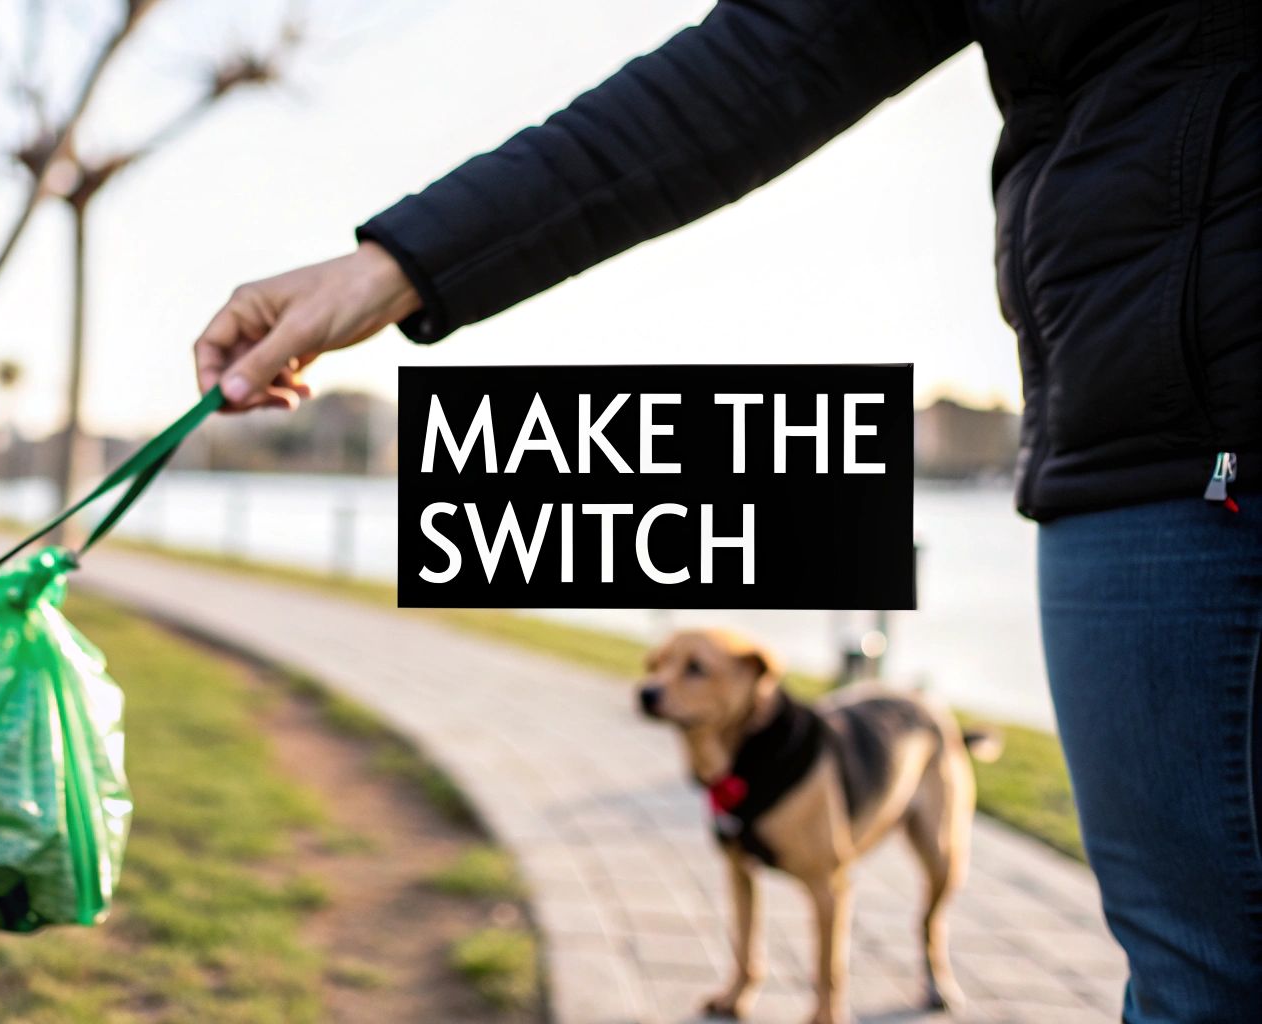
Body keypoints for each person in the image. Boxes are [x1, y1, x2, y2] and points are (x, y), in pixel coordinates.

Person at [191, 1, 1260, 1020]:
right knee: (1194, 973)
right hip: (1151, 450)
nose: (657, 688)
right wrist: (396, 265)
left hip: (1167, 439)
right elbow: (760, 64)